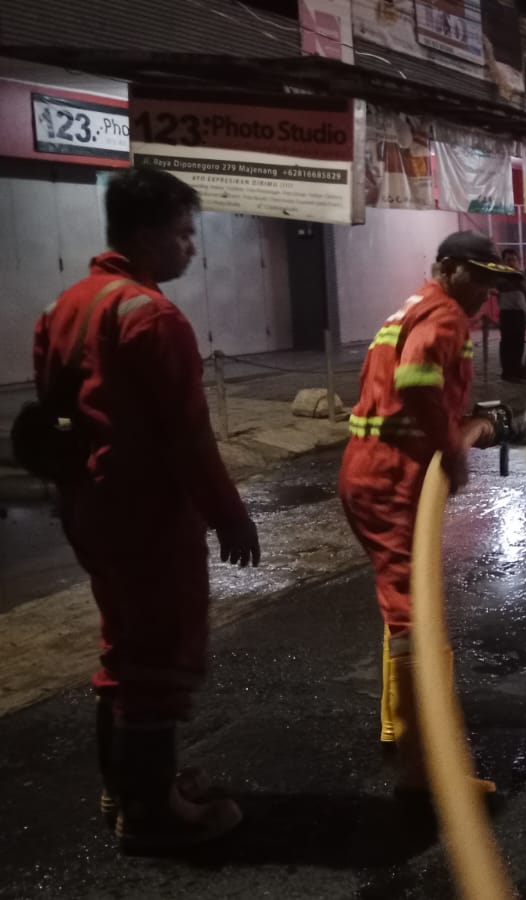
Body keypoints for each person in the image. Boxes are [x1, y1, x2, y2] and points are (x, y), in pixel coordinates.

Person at [31, 165, 260, 852]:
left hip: (88, 507)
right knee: (160, 657)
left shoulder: (64, 307)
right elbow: (186, 432)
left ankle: (129, 789)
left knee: (123, 649)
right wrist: (227, 513)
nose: (192, 247)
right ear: (147, 235)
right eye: (184, 234)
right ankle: (153, 819)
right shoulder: (152, 317)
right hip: (148, 514)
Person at [338, 231, 521, 795]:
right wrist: (450, 445)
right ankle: (428, 772)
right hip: (393, 476)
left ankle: (401, 729)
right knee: (417, 614)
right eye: (479, 276)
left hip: (373, 468)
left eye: (494, 281)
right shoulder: (444, 316)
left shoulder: (415, 305)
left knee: (402, 603)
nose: (486, 290)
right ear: (446, 267)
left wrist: (462, 428)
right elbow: (415, 379)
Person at [495, 248, 526, 383]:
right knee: (508, 343)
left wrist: (518, 279)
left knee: (519, 342)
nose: (511, 262)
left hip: (520, 311)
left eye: (513, 259)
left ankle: (517, 370)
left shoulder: (521, 274)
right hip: (507, 312)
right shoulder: (500, 276)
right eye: (508, 260)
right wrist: (511, 277)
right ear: (503, 261)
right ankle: (507, 372)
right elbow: (499, 287)